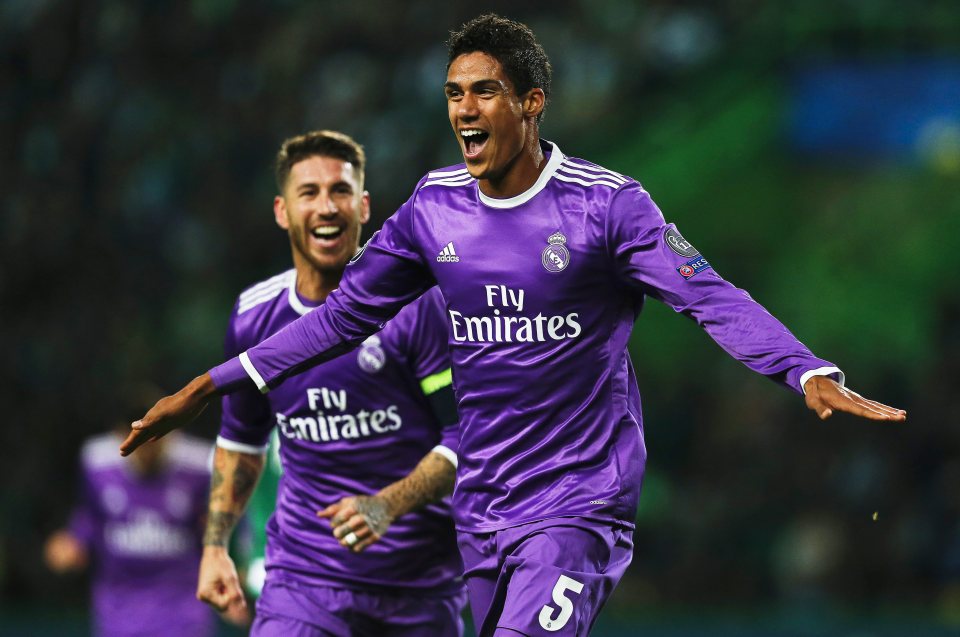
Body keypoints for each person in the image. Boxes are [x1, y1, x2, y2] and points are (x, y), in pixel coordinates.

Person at [123, 15, 907, 637]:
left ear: (531, 102)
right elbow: (339, 319)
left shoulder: (607, 206)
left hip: (577, 501)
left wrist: (805, 368)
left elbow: (708, 295)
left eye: (485, 91)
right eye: (455, 92)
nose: (465, 108)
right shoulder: (432, 209)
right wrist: (211, 382)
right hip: (485, 504)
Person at [192, 130, 466, 636]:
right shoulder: (254, 318)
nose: (326, 206)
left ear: (363, 207)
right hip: (302, 583)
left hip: (419, 588)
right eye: (309, 192)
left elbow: (466, 437)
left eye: (340, 191)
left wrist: (389, 504)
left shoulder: (418, 306)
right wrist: (215, 548)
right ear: (282, 210)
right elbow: (241, 442)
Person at [45, 392, 220, 637]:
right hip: (119, 613)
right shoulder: (96, 464)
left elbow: (224, 526)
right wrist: (73, 542)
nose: (149, 447)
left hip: (182, 613)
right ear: (121, 434)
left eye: (157, 436)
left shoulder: (201, 467)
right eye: (141, 437)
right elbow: (89, 517)